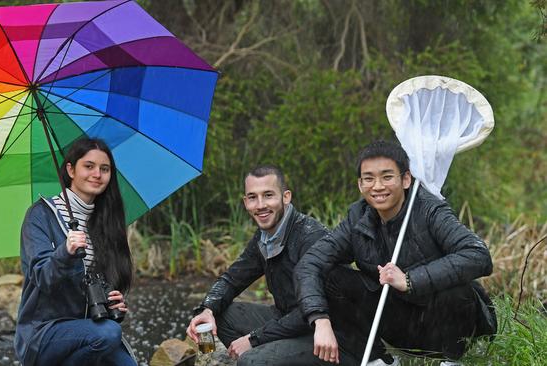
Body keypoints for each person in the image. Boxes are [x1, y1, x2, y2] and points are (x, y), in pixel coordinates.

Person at [295, 140, 497, 366]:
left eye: (387, 177)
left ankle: (454, 360)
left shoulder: (430, 209)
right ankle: (380, 360)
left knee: (457, 288)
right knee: (332, 277)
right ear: (360, 185)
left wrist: (410, 280)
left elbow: (478, 255)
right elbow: (310, 263)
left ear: (406, 179)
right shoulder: (357, 217)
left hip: (444, 324)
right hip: (398, 322)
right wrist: (320, 319)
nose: (378, 186)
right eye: (369, 178)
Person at [186, 165, 338, 366]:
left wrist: (253, 339)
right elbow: (232, 279)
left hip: (328, 336)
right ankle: (209, 360)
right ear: (245, 201)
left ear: (286, 197)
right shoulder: (266, 237)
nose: (260, 205)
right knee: (216, 313)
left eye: (268, 195)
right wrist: (205, 310)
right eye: (252, 197)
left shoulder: (311, 237)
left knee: (250, 360)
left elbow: (312, 310)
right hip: (288, 322)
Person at [14, 137, 137, 366]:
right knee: (108, 334)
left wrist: (112, 303)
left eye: (104, 169)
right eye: (88, 166)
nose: (97, 174)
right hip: (42, 333)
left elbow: (93, 286)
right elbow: (41, 277)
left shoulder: (104, 221)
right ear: (71, 169)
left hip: (87, 331)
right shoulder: (40, 215)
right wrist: (66, 251)